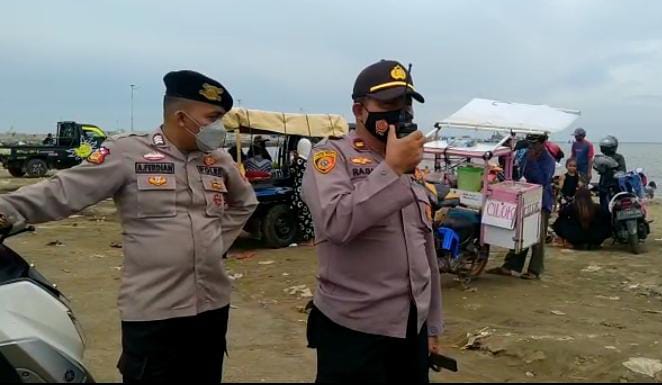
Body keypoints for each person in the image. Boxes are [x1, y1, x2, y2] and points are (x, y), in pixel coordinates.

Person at [0, 70, 258, 383]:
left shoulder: (217, 160)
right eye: (213, 117)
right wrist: (7, 210)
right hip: (154, 313)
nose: (220, 127)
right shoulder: (126, 153)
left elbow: (245, 202)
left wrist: (216, 242)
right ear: (181, 116)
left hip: (212, 307)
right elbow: (62, 191)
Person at [302, 60, 443, 383]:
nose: (401, 113)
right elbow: (336, 222)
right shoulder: (332, 157)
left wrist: (432, 324)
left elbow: (425, 253)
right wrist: (391, 169)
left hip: (411, 328)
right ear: (359, 110)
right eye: (389, 104)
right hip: (354, 329)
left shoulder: (413, 169)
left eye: (406, 103)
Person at [487, 133, 555, 280]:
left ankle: (535, 270)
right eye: (530, 144)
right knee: (521, 235)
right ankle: (511, 266)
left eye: (534, 144)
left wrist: (532, 161)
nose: (532, 147)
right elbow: (517, 174)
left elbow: (542, 180)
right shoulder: (525, 155)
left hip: (541, 201)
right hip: (524, 199)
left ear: (543, 143)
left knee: (538, 237)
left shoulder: (548, 160)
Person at [289, 137, 314, 242]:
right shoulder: (311, 161)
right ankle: (309, 236)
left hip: (298, 192)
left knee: (301, 216)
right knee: (308, 216)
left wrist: (292, 158)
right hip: (308, 191)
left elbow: (291, 172)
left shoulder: (298, 161)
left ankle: (304, 236)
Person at [597, 135, 627, 213]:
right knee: (604, 204)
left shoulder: (619, 157)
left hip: (616, 184)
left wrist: (616, 172)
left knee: (617, 202)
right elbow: (600, 170)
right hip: (604, 183)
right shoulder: (601, 157)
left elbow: (622, 171)